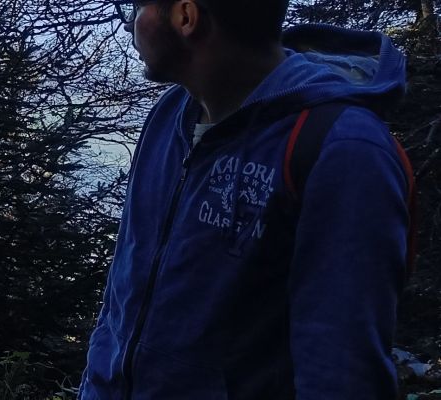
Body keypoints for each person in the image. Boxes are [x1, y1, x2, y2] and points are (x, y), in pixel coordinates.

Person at [81, 0, 415, 398]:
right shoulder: (172, 114)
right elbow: (123, 295)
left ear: (186, 17)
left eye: (139, 6)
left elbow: (341, 372)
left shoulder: (346, 150)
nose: (131, 24)